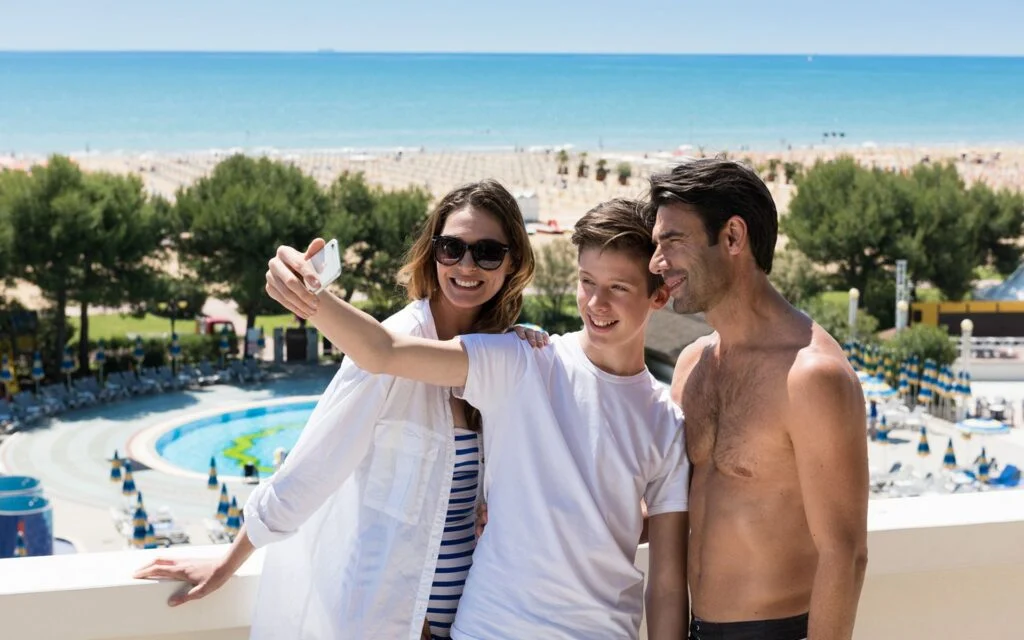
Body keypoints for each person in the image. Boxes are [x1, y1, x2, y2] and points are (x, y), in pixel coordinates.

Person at [264, 198, 690, 639]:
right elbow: (383, 352)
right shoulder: (524, 361)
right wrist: (309, 294)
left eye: (618, 287)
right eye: (586, 282)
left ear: (658, 294)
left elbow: (668, 586)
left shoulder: (666, 425)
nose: (596, 303)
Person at [134, 179, 537, 640]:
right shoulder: (389, 347)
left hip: (482, 617)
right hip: (399, 618)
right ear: (432, 253)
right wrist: (230, 560)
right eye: (451, 248)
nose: (467, 265)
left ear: (513, 262)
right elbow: (312, 467)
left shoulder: (508, 352)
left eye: (487, 252)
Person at [647, 159, 869, 640]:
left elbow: (845, 554)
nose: (656, 262)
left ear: (731, 237)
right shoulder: (692, 365)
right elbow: (675, 507)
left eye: (672, 241)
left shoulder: (812, 376)